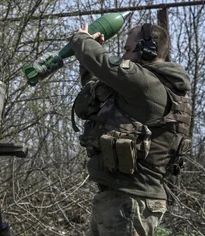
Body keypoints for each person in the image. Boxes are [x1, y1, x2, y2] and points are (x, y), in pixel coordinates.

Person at [70, 23, 192, 236]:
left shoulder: (148, 85)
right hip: (122, 200)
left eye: (128, 49)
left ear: (148, 48)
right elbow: (97, 99)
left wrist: (81, 39)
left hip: (131, 203)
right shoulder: (143, 87)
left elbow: (105, 64)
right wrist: (88, 60)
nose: (124, 55)